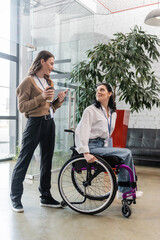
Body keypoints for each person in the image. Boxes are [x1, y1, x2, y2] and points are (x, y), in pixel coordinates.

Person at [10, 50, 68, 213]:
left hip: (49, 123)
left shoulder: (48, 81)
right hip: (34, 124)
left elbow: (49, 107)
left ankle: (45, 197)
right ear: (41, 61)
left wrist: (58, 101)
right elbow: (22, 107)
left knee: (47, 160)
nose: (52, 67)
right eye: (50, 63)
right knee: (24, 159)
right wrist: (41, 97)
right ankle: (15, 197)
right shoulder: (27, 82)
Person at [75, 83, 143, 199]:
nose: (98, 92)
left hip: (101, 145)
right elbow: (82, 131)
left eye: (102, 90)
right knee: (126, 153)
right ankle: (123, 191)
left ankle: (129, 189)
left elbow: (107, 134)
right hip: (91, 146)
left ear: (109, 94)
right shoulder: (90, 110)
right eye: (97, 90)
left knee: (125, 155)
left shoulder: (112, 113)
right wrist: (85, 152)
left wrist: (107, 147)